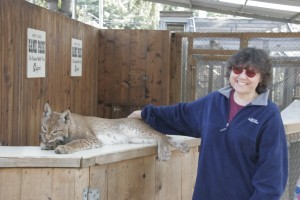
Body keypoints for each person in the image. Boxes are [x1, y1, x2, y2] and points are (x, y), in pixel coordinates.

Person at [128, 47, 288, 200]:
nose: (242, 77)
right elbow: (182, 114)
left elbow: (272, 176)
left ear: (262, 78)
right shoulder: (214, 101)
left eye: (251, 72)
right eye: (237, 70)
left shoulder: (269, 115)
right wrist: (146, 114)